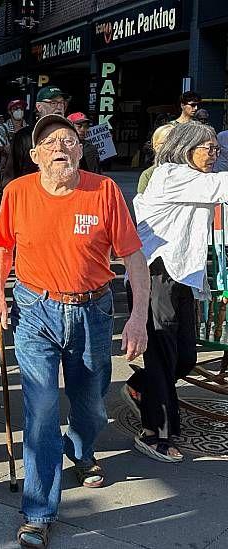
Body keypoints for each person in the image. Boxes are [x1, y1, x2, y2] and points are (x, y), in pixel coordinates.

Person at [0, 114, 149, 548]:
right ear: (35, 156)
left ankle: (80, 448)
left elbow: (133, 258)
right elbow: (3, 247)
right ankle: (38, 512)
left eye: (69, 140)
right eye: (50, 142)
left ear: (81, 150)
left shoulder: (105, 190)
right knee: (40, 410)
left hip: (92, 310)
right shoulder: (17, 192)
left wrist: (137, 317)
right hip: (35, 308)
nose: (61, 146)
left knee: (93, 403)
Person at [129, 122, 228, 462]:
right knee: (162, 355)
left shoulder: (193, 179)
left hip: (182, 276)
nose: (215, 154)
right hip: (156, 274)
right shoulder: (171, 174)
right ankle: (155, 431)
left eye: (217, 148)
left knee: (185, 356)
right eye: (209, 148)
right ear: (186, 148)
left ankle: (142, 386)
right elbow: (222, 186)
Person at [9, 85, 70, 181]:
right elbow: (11, 173)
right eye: (53, 103)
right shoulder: (24, 136)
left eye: (62, 103)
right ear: (39, 106)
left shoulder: (71, 135)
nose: (59, 107)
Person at [0, 99, 28, 186]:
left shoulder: (28, 128)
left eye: (21, 109)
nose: (19, 111)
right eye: (15, 109)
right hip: (9, 171)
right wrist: (4, 148)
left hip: (25, 171)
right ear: (10, 112)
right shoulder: (4, 128)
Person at [138, 124, 175, 193]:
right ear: (155, 146)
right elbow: (142, 201)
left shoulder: (189, 171)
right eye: (164, 143)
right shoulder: (149, 174)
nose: (169, 147)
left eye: (174, 143)